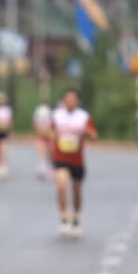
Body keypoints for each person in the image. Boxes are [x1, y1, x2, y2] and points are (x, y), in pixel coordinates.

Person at [46, 89, 97, 236]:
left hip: (77, 159)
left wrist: (88, 133)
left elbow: (94, 135)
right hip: (60, 157)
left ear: (77, 101)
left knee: (76, 191)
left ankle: (75, 218)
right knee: (61, 186)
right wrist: (52, 141)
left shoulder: (83, 117)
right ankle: (63, 217)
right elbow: (50, 132)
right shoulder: (57, 116)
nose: (70, 102)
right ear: (63, 101)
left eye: (73, 99)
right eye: (67, 99)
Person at [33, 95, 53, 180]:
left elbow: (35, 122)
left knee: (42, 151)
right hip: (46, 132)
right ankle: (44, 169)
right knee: (46, 151)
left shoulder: (38, 110)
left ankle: (41, 168)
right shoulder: (48, 111)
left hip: (41, 132)